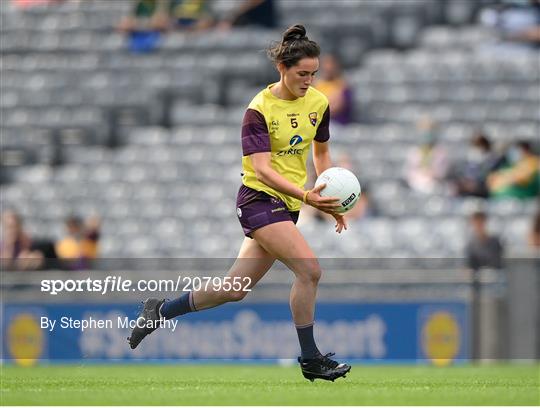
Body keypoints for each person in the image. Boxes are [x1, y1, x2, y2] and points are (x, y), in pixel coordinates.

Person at [128, 24, 351, 382]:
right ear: (282, 68)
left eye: (313, 73)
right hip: (258, 200)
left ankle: (159, 311)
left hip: (287, 206)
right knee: (310, 271)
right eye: (302, 73)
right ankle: (311, 358)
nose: (309, 80)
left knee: (234, 290)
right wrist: (307, 196)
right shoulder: (259, 109)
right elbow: (261, 170)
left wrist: (328, 196)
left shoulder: (319, 103)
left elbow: (322, 154)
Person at [405, 117, 449, 194]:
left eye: (429, 130)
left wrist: (432, 174)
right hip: (416, 184)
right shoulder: (414, 151)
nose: (426, 133)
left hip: (435, 184)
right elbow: (409, 171)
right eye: (423, 130)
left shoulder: (440, 152)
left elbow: (443, 172)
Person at [451, 132, 502, 198]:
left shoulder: (493, 161)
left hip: (484, 194)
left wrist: (476, 186)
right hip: (467, 193)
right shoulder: (469, 161)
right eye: (475, 145)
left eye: (478, 146)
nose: (476, 150)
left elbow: (491, 180)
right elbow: (462, 175)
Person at [314, 54, 354, 126]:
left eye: (330, 64)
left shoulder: (343, 85)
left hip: (337, 123)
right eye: (325, 64)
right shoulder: (316, 85)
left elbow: (338, 107)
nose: (328, 67)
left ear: (336, 66)